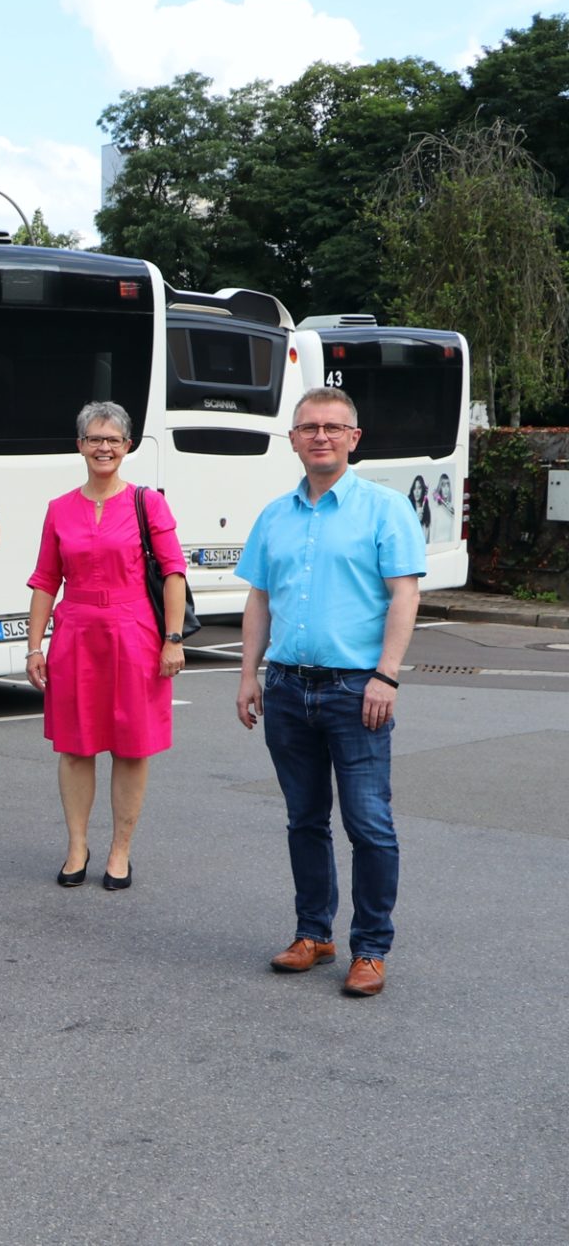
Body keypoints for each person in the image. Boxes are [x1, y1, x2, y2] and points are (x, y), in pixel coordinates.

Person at [236, 387, 423, 998]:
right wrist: (248, 674)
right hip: (288, 690)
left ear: (353, 438)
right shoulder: (275, 515)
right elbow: (259, 598)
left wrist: (387, 675)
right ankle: (314, 935)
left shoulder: (384, 509)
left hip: (356, 690)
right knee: (304, 820)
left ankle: (370, 948)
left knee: (369, 824)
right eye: (309, 427)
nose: (320, 436)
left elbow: (405, 595)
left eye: (333, 427)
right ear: (292, 438)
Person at [23, 402, 189, 890]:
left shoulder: (147, 502)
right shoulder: (59, 509)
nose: (104, 447)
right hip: (75, 634)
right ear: (79, 446)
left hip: (135, 631)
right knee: (75, 748)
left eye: (113, 440)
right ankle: (77, 846)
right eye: (94, 439)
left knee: (131, 748)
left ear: (128, 447)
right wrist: (35, 647)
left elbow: (174, 571)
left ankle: (121, 850)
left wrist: (173, 638)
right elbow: (44, 580)